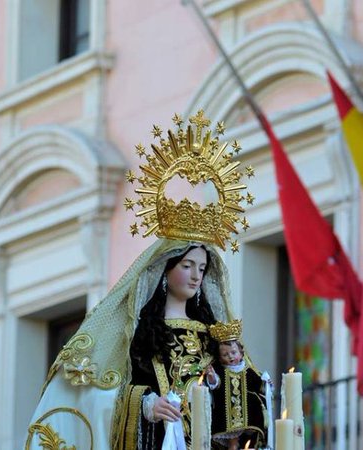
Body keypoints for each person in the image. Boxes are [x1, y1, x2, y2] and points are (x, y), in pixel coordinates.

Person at [25, 111, 262, 450]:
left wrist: (225, 377)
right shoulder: (137, 332)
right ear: (164, 271)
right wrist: (147, 406)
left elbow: (240, 412)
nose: (196, 275)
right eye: (187, 265)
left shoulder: (214, 334)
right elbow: (109, 390)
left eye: (202, 268)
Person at [208, 320, 268, 449]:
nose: (230, 356)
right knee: (233, 440)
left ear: (241, 353)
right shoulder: (221, 371)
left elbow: (259, 386)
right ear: (220, 358)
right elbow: (216, 385)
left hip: (247, 414)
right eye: (225, 354)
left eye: (233, 353)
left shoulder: (248, 371)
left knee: (250, 436)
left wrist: (266, 384)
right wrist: (212, 377)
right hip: (227, 413)